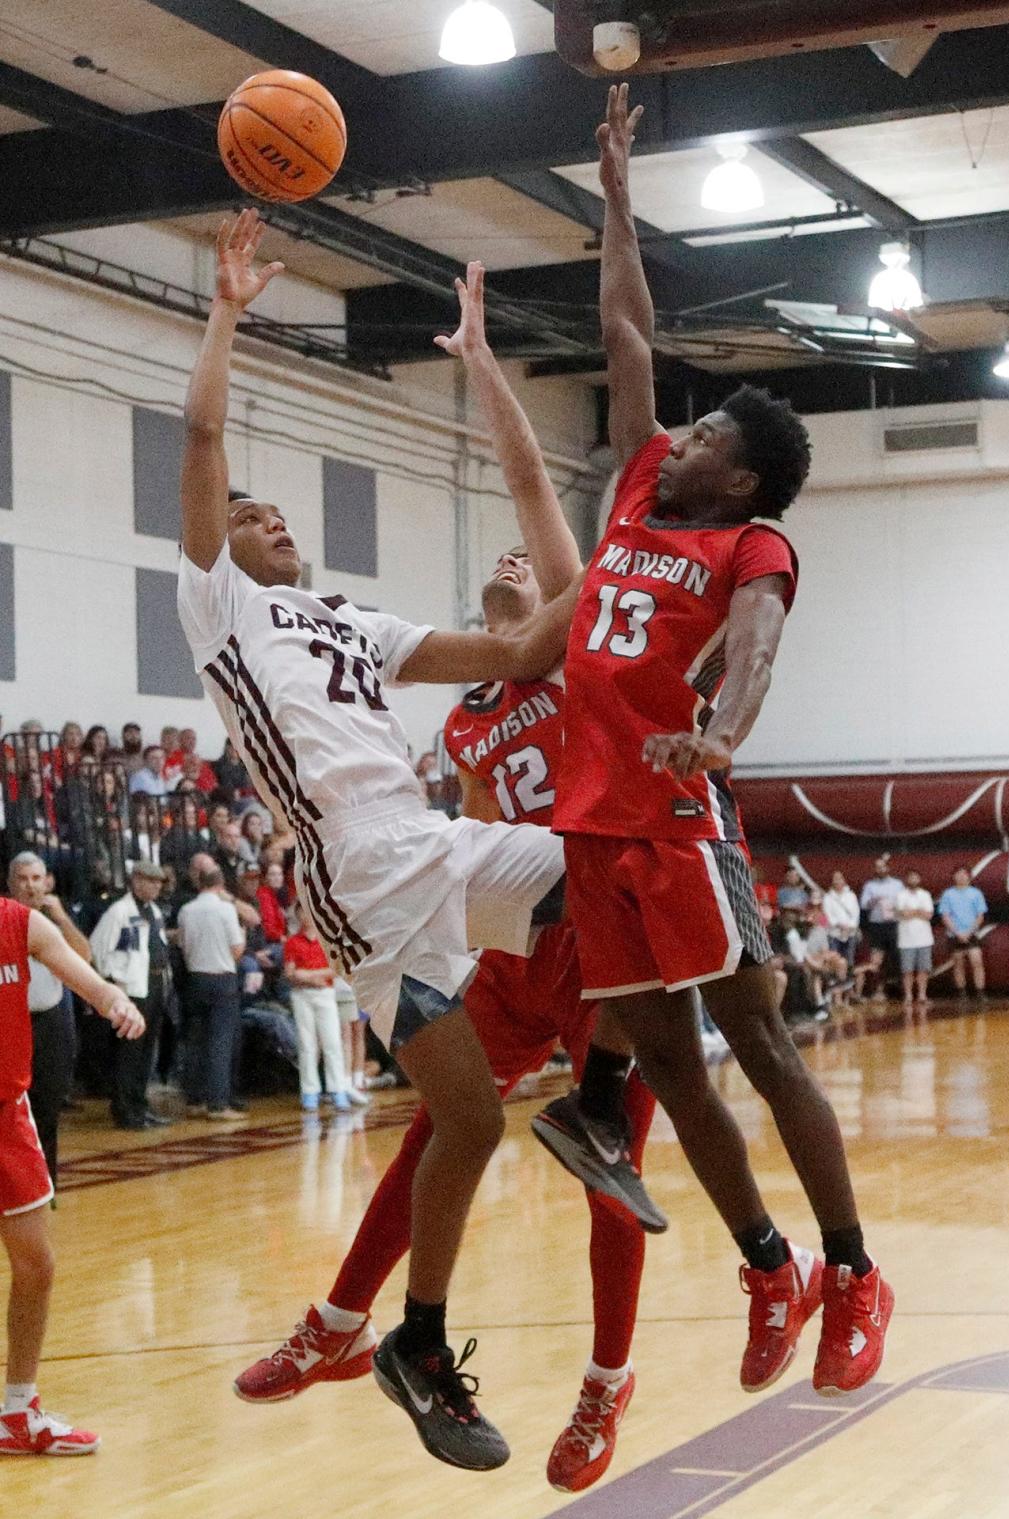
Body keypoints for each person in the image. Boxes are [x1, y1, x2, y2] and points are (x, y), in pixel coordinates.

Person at [177, 208, 580, 1471]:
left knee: (613, 863)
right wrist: (230, 307)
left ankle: (601, 1111)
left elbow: (524, 649)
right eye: (253, 518)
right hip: (358, 877)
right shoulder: (225, 611)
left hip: (435, 837)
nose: (272, 523)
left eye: (281, 517)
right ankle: (412, 1336)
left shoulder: (352, 622)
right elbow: (200, 435)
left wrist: (621, 571)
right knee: (465, 1123)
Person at [235, 277, 653, 1492]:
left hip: (602, 936)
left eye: (540, 559)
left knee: (609, 1164)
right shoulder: (465, 722)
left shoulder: (571, 658)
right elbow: (464, 837)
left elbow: (532, 488)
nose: (520, 557)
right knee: (440, 1125)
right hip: (512, 924)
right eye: (509, 557)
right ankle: (345, 1318)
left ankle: (604, 1386)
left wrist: (481, 366)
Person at [520, 88, 892, 1401]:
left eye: (703, 438)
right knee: (665, 1073)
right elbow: (626, 329)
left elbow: (752, 645)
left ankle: (853, 1269)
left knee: (758, 1034)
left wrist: (722, 735)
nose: (674, 437)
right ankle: (765, 1261)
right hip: (589, 820)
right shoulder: (635, 484)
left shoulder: (749, 540)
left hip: (676, 817)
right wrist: (616, 198)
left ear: (736, 478)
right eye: (683, 427)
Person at [0, 884, 144, 1456]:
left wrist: (115, 1002)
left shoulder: (20, 923)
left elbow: (83, 976)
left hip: (7, 1117)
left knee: (36, 1263)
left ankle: (18, 1409)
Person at [7, 854, 89, 1189]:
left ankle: (46, 1183)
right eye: (23, 879)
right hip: (11, 1024)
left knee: (49, 1103)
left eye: (36, 878)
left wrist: (59, 915)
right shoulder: (6, 921)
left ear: (47, 882)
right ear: (11, 884)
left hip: (51, 1020)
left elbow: (84, 957)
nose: (30, 886)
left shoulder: (54, 923)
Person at [89, 860, 174, 1130]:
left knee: (146, 1051)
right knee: (129, 1053)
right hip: (132, 990)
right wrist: (115, 982)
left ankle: (140, 1104)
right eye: (151, 881)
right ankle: (125, 1110)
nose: (156, 887)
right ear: (136, 880)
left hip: (155, 985)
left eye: (159, 883)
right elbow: (98, 950)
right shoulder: (119, 911)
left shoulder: (153, 911)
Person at [177, 865, 246, 1119]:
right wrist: (244, 937)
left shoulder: (187, 910)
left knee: (195, 1040)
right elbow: (237, 950)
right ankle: (218, 1103)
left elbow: (183, 945)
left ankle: (195, 1100)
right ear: (221, 885)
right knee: (220, 1042)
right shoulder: (226, 909)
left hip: (195, 978)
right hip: (222, 980)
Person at [283, 905, 357, 1112]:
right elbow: (290, 973)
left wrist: (309, 975)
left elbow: (336, 969)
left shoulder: (327, 941)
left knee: (332, 1042)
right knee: (307, 1044)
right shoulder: (292, 942)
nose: (305, 917)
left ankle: (338, 1090)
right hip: (302, 995)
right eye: (301, 913)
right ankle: (309, 1092)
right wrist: (309, 978)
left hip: (325, 993)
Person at [938, 866, 988, 1002]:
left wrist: (969, 932)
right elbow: (945, 916)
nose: (961, 877)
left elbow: (980, 916)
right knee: (958, 963)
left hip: (971, 933)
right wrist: (957, 933)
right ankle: (961, 992)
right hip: (954, 934)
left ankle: (980, 992)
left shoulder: (976, 893)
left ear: (969, 877)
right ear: (954, 877)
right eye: (958, 874)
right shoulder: (947, 894)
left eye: (964, 874)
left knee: (976, 961)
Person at [859, 854, 903, 1002]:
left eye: (882, 867)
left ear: (888, 868)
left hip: (894, 924)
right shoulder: (869, 886)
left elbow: (904, 902)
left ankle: (897, 990)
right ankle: (878, 989)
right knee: (876, 959)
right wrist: (874, 900)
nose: (880, 869)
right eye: (878, 867)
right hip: (877, 926)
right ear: (875, 869)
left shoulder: (897, 884)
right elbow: (864, 905)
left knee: (896, 957)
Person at [896, 868, 934, 1014]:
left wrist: (913, 911)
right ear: (906, 879)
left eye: (915, 877)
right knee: (907, 970)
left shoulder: (925, 894)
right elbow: (902, 913)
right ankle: (908, 995)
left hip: (924, 938)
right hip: (906, 939)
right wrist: (918, 911)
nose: (913, 880)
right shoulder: (900, 895)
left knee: (923, 969)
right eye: (910, 877)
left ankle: (922, 995)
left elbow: (928, 914)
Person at [824, 870, 860, 969]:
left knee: (849, 961)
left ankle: (848, 982)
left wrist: (849, 927)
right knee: (834, 961)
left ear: (844, 880)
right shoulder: (828, 897)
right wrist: (839, 925)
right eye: (835, 879)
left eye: (839, 878)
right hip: (834, 934)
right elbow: (828, 916)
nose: (837, 881)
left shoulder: (851, 896)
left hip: (850, 933)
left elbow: (856, 914)